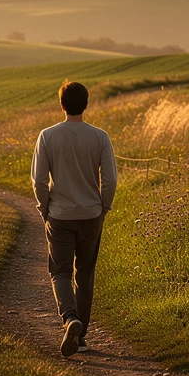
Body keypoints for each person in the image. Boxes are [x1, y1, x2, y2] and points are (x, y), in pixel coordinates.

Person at [30, 79, 117, 357]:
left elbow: (39, 180)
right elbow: (110, 179)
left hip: (59, 215)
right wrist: (104, 207)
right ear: (86, 104)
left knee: (60, 272)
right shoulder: (100, 137)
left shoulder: (47, 136)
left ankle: (70, 319)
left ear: (61, 105)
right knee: (85, 273)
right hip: (91, 214)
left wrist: (44, 208)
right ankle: (81, 337)